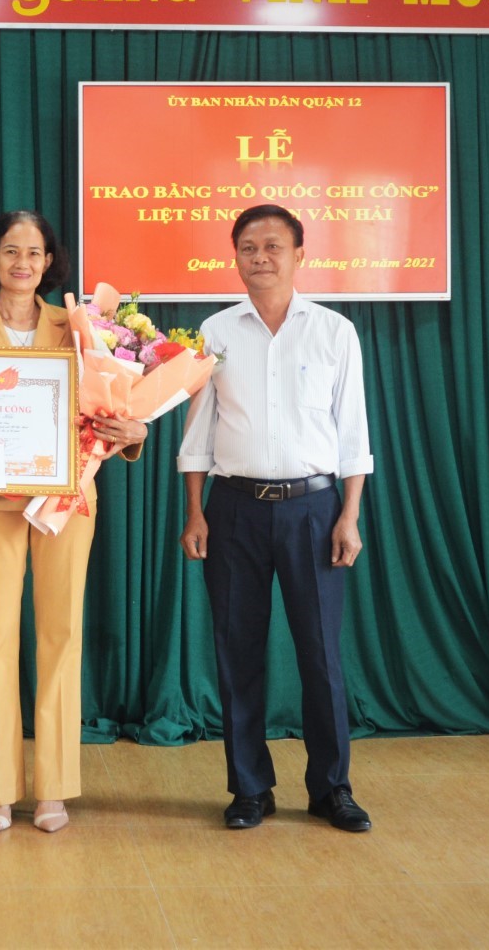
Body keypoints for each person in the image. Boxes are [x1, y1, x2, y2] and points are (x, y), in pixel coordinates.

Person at [0, 210, 146, 834]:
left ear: (49, 262)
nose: (22, 263)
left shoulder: (79, 327)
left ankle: (54, 787)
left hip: (65, 501)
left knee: (60, 636)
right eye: (10, 251)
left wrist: (132, 432)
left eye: (34, 252)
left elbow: (111, 409)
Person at [177, 203, 375, 833]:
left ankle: (332, 788)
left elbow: (353, 433)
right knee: (237, 652)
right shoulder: (215, 333)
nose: (260, 257)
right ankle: (249, 788)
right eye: (248, 248)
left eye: (273, 247)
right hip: (232, 509)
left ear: (299, 255)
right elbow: (198, 433)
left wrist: (349, 516)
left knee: (321, 654)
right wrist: (195, 513)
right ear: (234, 257)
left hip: (315, 510)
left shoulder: (335, 332)